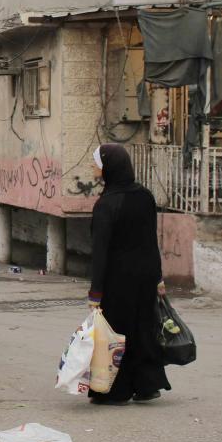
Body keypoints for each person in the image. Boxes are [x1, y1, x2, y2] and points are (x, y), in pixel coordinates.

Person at [87, 144, 170, 405]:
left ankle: (116, 390)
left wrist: (95, 293)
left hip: (117, 280)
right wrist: (158, 277)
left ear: (108, 167)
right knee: (143, 328)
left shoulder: (106, 204)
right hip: (145, 276)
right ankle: (147, 386)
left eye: (96, 164)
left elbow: (100, 252)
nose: (93, 168)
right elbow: (150, 241)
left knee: (116, 333)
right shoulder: (145, 196)